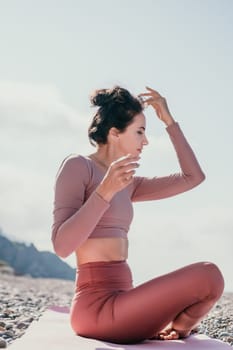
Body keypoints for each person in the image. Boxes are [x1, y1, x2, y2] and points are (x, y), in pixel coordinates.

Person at [51, 86, 224, 344]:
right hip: (95, 308)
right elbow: (62, 246)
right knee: (207, 274)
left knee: (211, 277)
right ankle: (171, 328)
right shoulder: (78, 166)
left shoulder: (128, 182)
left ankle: (179, 329)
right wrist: (104, 192)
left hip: (124, 300)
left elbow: (193, 178)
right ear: (114, 133)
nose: (146, 141)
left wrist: (169, 122)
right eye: (140, 132)